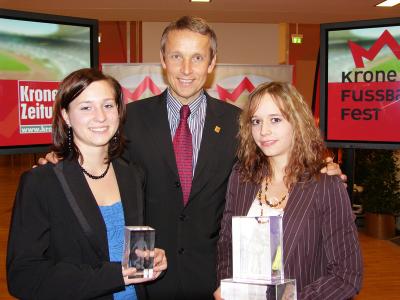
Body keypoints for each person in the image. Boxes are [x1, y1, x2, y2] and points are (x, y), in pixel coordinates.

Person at [40, 17, 344, 300]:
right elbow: (97, 162)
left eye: (197, 57)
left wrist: (320, 170)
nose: (186, 69)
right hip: (148, 278)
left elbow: (272, 168)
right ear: (163, 60)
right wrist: (62, 159)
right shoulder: (128, 119)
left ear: (211, 63)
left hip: (216, 280)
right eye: (176, 56)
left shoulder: (238, 123)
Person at [7, 68, 167, 300]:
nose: (100, 117)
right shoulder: (41, 183)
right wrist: (115, 275)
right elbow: (23, 276)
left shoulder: (132, 174)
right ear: (65, 116)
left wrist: (151, 259)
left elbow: (132, 248)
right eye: (86, 107)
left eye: (108, 105)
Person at [215, 82, 363, 300]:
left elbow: (347, 275)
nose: (264, 131)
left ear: (297, 122)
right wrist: (226, 286)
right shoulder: (242, 177)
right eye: (256, 121)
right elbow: (227, 243)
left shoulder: (325, 185)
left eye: (275, 119)